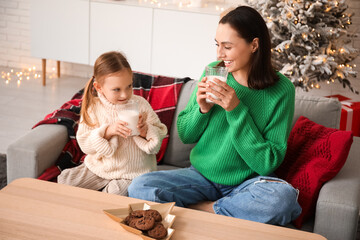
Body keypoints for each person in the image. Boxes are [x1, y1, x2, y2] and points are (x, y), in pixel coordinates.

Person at [128, 6, 302, 225]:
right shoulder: (213, 71)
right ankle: (227, 212)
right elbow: (186, 135)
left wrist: (236, 110)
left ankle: (204, 209)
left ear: (254, 45)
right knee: (140, 186)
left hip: (248, 183)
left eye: (227, 47)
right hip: (200, 177)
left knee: (282, 200)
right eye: (217, 45)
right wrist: (202, 109)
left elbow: (267, 164)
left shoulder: (281, 90)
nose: (219, 54)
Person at [58, 51, 167, 196]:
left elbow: (159, 133)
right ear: (99, 88)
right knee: (65, 180)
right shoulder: (94, 108)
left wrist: (145, 131)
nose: (124, 94)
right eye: (117, 89)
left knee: (114, 193)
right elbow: (85, 144)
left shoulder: (140, 104)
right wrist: (108, 131)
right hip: (102, 168)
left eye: (129, 86)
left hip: (132, 172)